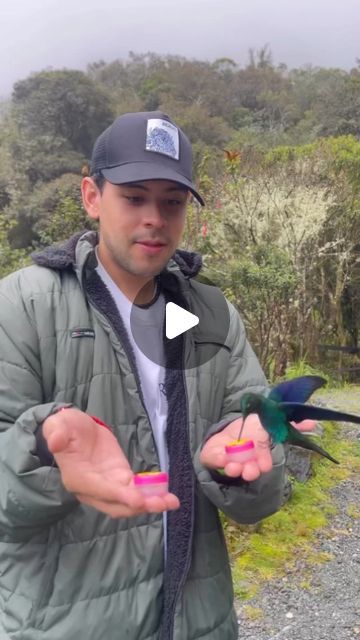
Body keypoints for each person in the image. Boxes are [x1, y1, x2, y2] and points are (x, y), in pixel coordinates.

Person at [0, 111, 294, 640]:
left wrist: (239, 465)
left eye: (172, 202)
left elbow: (263, 477)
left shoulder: (213, 316)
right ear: (92, 196)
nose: (155, 218)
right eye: (134, 197)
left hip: (199, 622)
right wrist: (45, 455)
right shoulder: (22, 306)